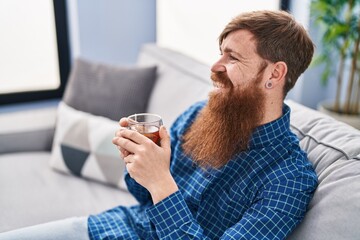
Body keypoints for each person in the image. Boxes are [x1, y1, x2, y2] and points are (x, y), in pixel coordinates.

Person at [0, 10, 317, 240]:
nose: (215, 67)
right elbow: (144, 197)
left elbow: (162, 191)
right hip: (113, 229)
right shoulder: (200, 115)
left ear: (274, 75)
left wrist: (161, 182)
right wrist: (140, 165)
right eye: (220, 53)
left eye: (232, 58)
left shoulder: (288, 180)